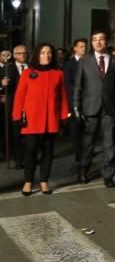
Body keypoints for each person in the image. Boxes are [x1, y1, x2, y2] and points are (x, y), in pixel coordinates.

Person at [11, 43, 69, 195]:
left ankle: (44, 181)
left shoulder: (58, 73)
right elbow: (19, 97)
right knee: (30, 151)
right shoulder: (28, 73)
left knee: (48, 152)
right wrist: (17, 116)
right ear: (37, 54)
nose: (46, 55)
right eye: (43, 52)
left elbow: (63, 97)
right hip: (31, 120)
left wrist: (64, 116)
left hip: (51, 120)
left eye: (49, 52)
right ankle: (28, 182)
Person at [72, 31, 115, 187]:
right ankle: (83, 170)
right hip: (90, 107)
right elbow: (77, 86)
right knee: (88, 143)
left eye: (101, 39)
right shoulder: (84, 61)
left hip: (110, 108)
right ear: (92, 43)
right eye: (94, 40)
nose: (98, 42)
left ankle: (108, 175)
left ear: (106, 41)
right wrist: (76, 107)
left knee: (110, 144)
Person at [1, 45, 29, 169]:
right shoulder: (7, 69)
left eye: (24, 53)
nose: (22, 56)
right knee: (16, 133)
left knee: (30, 133)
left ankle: (30, 156)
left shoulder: (32, 68)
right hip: (14, 104)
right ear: (14, 55)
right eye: (19, 53)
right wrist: (2, 85)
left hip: (30, 104)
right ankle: (19, 159)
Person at [62, 38, 87, 173]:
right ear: (75, 48)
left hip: (87, 101)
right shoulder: (69, 64)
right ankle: (78, 154)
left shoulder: (89, 62)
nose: (84, 49)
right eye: (81, 46)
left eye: (85, 46)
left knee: (86, 130)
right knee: (76, 130)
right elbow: (68, 84)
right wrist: (73, 103)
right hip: (74, 101)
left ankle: (85, 152)